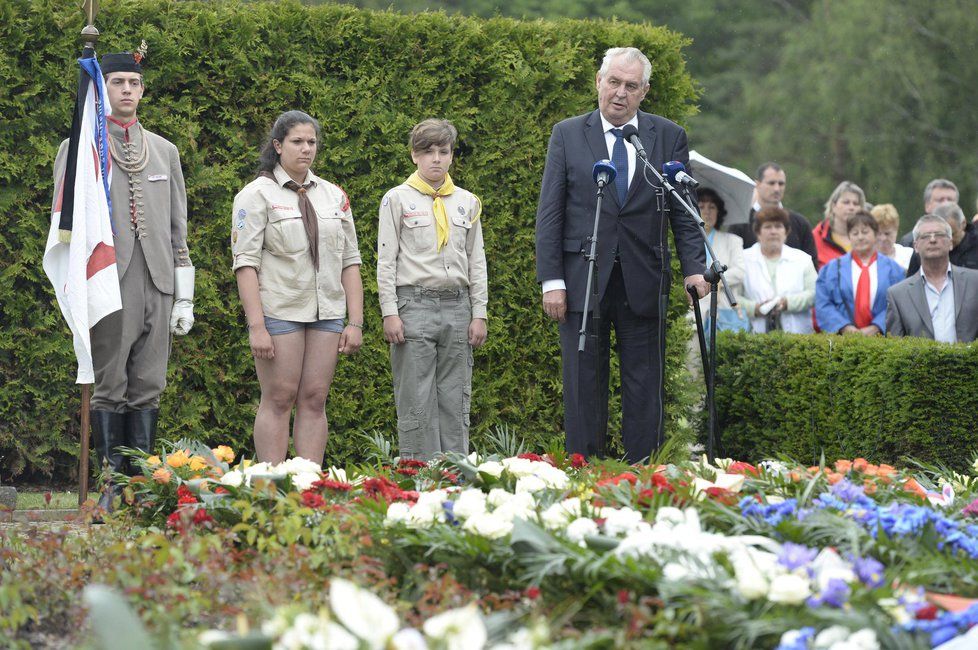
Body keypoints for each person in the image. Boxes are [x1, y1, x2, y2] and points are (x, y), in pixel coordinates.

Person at [535, 47, 707, 463]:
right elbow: (551, 212)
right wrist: (552, 281)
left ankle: (642, 474)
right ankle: (584, 472)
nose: (620, 93)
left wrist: (695, 269)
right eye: (613, 82)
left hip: (643, 278)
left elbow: (685, 213)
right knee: (583, 385)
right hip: (583, 279)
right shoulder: (568, 133)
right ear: (598, 82)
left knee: (644, 385)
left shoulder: (667, 136)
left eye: (631, 86)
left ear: (644, 91)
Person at [52, 50, 195, 511]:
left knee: (150, 381)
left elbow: (178, 226)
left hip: (158, 278)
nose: (127, 90)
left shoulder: (165, 150)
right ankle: (113, 484)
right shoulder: (80, 149)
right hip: (109, 278)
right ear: (103, 88)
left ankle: (143, 484)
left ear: (143, 90)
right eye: (118, 83)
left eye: (134, 83)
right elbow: (65, 223)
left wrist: (183, 293)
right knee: (111, 381)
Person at [231, 111, 363, 465]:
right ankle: (271, 490)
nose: (306, 149)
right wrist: (256, 326)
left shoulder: (334, 196)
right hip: (280, 312)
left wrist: (356, 320)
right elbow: (245, 264)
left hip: (327, 313)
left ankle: (308, 489)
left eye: (312, 142)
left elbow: (350, 260)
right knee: (278, 397)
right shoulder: (255, 195)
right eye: (297, 142)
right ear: (277, 146)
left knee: (315, 398)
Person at [376, 119, 488, 461]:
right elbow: (386, 259)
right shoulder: (396, 199)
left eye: (443, 151)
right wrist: (390, 312)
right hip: (415, 306)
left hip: (457, 307)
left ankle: (455, 474)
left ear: (452, 156)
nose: (436, 159)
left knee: (455, 396)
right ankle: (418, 475)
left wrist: (479, 312)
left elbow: (476, 260)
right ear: (414, 156)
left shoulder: (467, 202)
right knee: (416, 397)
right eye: (428, 152)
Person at [886, 214, 978, 343]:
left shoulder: (974, 282)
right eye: (925, 236)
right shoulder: (898, 295)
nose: (933, 240)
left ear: (951, 243)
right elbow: (894, 348)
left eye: (939, 235)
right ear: (915, 246)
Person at [815, 211, 905, 335]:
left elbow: (899, 304)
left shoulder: (895, 270)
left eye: (865, 232)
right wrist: (844, 327)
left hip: (883, 340)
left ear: (875, 234)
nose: (860, 237)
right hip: (842, 339)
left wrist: (877, 326)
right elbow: (823, 303)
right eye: (855, 233)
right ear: (849, 237)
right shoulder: (831, 269)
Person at [738, 207, 816, 334]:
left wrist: (788, 303)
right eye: (768, 227)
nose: (773, 231)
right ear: (758, 232)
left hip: (798, 336)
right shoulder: (742, 259)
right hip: (754, 336)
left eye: (778, 226)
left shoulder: (802, 259)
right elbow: (731, 296)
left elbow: (814, 293)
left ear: (786, 231)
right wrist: (754, 308)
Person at [727, 162, 817, 267]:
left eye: (781, 184)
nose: (777, 189)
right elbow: (733, 265)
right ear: (757, 185)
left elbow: (812, 265)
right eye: (771, 183)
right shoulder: (740, 222)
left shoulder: (800, 223)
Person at [694, 187, 745, 328]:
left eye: (712, 207)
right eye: (701, 206)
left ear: (719, 212)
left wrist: (716, 280)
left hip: (723, 313)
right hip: (692, 314)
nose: (707, 211)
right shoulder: (686, 243)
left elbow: (740, 271)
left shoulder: (733, 240)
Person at [905, 203, 978, 275]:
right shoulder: (924, 249)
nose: (949, 240)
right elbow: (911, 283)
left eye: (952, 234)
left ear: (963, 224)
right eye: (941, 235)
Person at [812, 181, 866, 269]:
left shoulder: (870, 238)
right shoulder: (816, 237)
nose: (851, 207)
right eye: (846, 202)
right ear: (833, 206)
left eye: (855, 204)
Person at [899, 179, 959, 245]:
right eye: (940, 200)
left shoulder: (970, 240)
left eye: (950, 200)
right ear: (927, 206)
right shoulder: (909, 243)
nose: (946, 204)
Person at [870, 204, 913, 270]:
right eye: (878, 234)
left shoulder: (909, 255)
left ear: (896, 231)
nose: (883, 238)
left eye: (887, 233)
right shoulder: (864, 258)